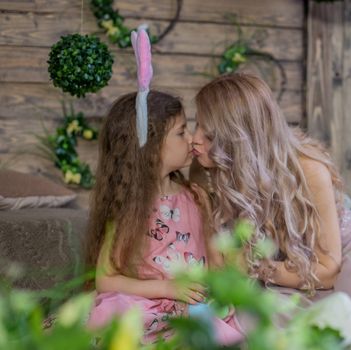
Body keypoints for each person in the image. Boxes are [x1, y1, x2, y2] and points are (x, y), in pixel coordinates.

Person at [190, 73, 351, 316]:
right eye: (197, 125)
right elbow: (224, 271)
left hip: (338, 258)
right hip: (285, 270)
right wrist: (207, 215)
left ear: (242, 138)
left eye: (209, 135)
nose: (194, 140)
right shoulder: (206, 171)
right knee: (256, 320)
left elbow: (329, 270)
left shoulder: (308, 169)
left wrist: (257, 268)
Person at [84, 29, 243, 345]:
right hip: (145, 303)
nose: (193, 140)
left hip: (191, 304)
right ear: (152, 147)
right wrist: (167, 289)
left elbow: (214, 261)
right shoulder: (131, 206)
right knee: (113, 315)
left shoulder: (196, 196)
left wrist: (220, 290)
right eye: (182, 132)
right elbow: (105, 278)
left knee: (218, 332)